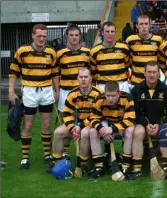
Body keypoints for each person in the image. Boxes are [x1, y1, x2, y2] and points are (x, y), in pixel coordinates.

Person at [8, 24, 59, 170]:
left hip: (46, 91)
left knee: (46, 124)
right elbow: (13, 72)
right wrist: (11, 91)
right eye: (39, 36)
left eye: (44, 36)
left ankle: (47, 155)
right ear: (32, 35)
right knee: (28, 125)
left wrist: (57, 90)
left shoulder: (51, 52)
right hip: (29, 91)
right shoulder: (22, 51)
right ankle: (25, 158)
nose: (42, 39)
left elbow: (55, 73)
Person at [50, 68, 103, 178]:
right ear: (77, 79)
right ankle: (58, 165)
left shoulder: (98, 94)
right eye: (81, 77)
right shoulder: (72, 94)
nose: (83, 80)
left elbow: (97, 115)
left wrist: (80, 127)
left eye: (86, 77)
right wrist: (72, 128)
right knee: (57, 132)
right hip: (76, 124)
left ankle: (82, 165)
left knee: (84, 133)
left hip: (91, 123)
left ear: (90, 79)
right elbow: (66, 114)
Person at [131, 61, 167, 179]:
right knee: (138, 132)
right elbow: (135, 112)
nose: (152, 75)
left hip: (160, 123)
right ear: (144, 73)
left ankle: (166, 167)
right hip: (143, 124)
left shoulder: (165, 90)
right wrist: (146, 124)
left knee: (166, 131)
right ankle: (137, 169)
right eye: (149, 72)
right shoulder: (136, 90)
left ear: (159, 74)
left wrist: (159, 124)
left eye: (154, 72)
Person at [55, 24, 91, 157]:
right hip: (66, 92)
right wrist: (57, 91)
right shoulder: (60, 54)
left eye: (76, 35)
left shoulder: (87, 53)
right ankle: (66, 153)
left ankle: (85, 152)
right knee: (64, 123)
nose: (74, 37)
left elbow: (91, 72)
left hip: (83, 93)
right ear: (67, 37)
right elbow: (55, 74)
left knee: (84, 121)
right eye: (71, 35)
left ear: (80, 36)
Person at [89, 81, 135, 176]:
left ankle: (125, 166)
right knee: (93, 131)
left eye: (113, 96)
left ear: (119, 93)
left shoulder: (127, 98)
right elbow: (93, 118)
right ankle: (99, 167)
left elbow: (130, 120)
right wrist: (102, 130)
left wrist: (112, 129)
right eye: (108, 95)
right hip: (106, 125)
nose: (110, 99)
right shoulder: (99, 99)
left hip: (121, 127)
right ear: (104, 93)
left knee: (130, 130)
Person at [90, 21, 130, 93]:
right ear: (102, 32)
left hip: (121, 85)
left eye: (112, 31)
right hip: (103, 86)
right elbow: (93, 71)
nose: (110, 34)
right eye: (107, 31)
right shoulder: (94, 51)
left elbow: (127, 66)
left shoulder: (124, 48)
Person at [126, 15, 162, 89]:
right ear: (137, 26)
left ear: (150, 25)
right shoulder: (130, 40)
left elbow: (161, 60)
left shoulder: (158, 40)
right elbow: (127, 59)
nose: (144, 26)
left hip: (154, 83)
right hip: (136, 82)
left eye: (146, 24)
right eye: (141, 24)